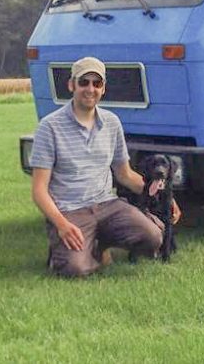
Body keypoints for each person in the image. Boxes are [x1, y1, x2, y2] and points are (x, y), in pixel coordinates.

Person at [29, 56, 180, 277]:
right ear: (71, 85)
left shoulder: (112, 123)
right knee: (75, 269)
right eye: (84, 82)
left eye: (96, 83)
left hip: (107, 205)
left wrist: (165, 194)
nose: (90, 89)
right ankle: (66, 251)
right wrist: (61, 224)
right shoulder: (49, 127)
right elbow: (39, 191)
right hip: (71, 211)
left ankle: (99, 243)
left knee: (153, 237)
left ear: (103, 89)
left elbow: (125, 174)